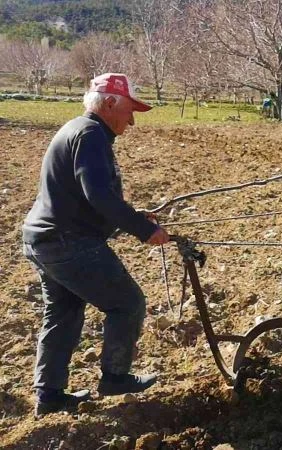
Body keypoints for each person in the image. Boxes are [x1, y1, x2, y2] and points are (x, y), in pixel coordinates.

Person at [21, 73, 170, 416]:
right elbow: (98, 195)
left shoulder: (79, 129)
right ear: (109, 104)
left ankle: (50, 395)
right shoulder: (90, 136)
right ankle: (115, 377)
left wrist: (134, 217)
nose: (132, 120)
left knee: (64, 312)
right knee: (128, 303)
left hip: (45, 240)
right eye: (129, 110)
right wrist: (142, 230)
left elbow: (85, 201)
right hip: (67, 242)